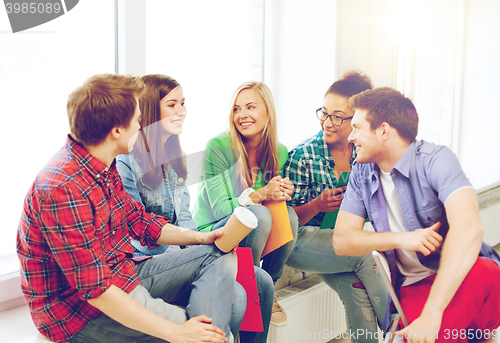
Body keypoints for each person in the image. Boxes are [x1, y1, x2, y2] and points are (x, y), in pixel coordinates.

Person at [17, 74, 244, 343]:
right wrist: (178, 332)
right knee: (216, 331)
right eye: (137, 120)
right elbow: (97, 291)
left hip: (122, 274)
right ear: (117, 130)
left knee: (219, 253)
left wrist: (200, 237)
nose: (142, 125)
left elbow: (139, 221)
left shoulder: (102, 162)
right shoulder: (63, 189)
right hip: (79, 313)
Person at [332, 87, 500, 343]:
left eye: (357, 128)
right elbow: (341, 241)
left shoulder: (437, 160)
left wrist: (433, 313)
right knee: (429, 335)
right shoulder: (361, 174)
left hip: (467, 275)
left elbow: (470, 228)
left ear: (384, 131)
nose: (350, 137)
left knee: (484, 272)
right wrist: (401, 238)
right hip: (414, 287)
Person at [116, 74, 274, 342]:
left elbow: (184, 216)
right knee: (235, 296)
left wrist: (194, 246)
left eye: (183, 103)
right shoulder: (126, 161)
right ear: (152, 110)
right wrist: (193, 250)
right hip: (150, 260)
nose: (182, 111)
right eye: (173, 105)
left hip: (183, 250)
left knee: (262, 283)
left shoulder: (173, 156)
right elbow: (134, 230)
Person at [282, 71, 388, 343]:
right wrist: (318, 204)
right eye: (324, 113)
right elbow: (285, 221)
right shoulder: (303, 154)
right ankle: (401, 327)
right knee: (362, 254)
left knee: (357, 291)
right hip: (298, 242)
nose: (327, 122)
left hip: (338, 243)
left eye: (338, 116)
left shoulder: (363, 155)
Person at [192, 81, 299, 329]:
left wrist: (281, 192)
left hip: (250, 230)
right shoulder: (218, 146)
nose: (242, 115)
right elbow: (221, 209)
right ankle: (251, 286)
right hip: (212, 227)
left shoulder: (279, 151)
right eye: (237, 109)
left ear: (267, 112)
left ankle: (267, 286)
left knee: (290, 216)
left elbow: (271, 203)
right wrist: (263, 193)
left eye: (250, 107)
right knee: (259, 213)